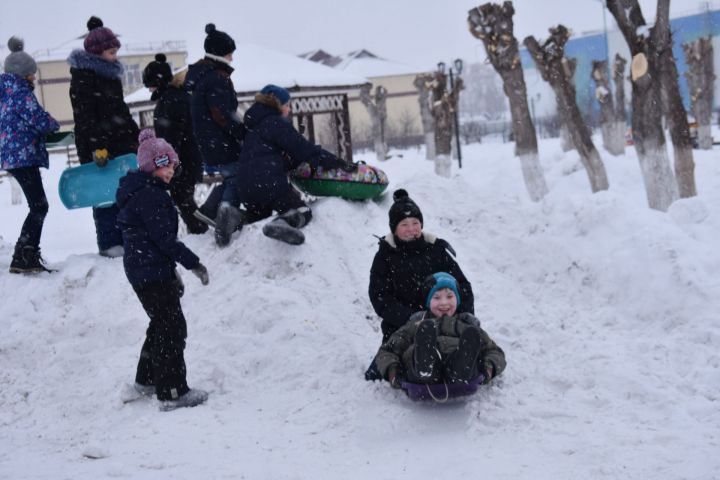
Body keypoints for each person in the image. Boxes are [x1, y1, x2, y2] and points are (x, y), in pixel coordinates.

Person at [116, 129, 210, 411]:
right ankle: (172, 391)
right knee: (172, 328)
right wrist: (193, 263)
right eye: (167, 164)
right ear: (155, 165)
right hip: (150, 272)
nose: (172, 169)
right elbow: (165, 241)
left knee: (160, 324)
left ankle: (146, 380)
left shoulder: (144, 191)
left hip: (145, 270)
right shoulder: (151, 197)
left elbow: (156, 242)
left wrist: (171, 271)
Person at [365, 188, 474, 380]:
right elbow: (379, 296)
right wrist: (410, 318)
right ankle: (421, 366)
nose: (411, 229)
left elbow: (462, 284)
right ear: (394, 229)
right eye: (404, 224)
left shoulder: (435, 250)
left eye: (415, 223)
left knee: (455, 342)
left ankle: (460, 365)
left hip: (443, 316)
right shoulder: (386, 256)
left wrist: (464, 313)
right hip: (403, 325)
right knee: (401, 354)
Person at [236, 84, 353, 246]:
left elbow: (264, 156)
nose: (289, 109)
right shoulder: (276, 123)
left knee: (258, 218)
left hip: (244, 186)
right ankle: (282, 223)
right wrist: (336, 162)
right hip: (269, 184)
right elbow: (305, 150)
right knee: (302, 211)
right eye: (287, 105)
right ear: (276, 104)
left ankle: (236, 219)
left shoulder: (251, 126)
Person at [67, 16, 140, 257]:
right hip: (97, 147)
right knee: (104, 195)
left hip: (119, 143)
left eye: (116, 50)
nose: (115, 55)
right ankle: (110, 245)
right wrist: (97, 146)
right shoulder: (83, 78)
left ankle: (126, 239)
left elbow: (119, 110)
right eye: (111, 51)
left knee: (124, 191)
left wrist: (137, 135)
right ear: (97, 53)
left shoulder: (110, 76)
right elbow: (86, 117)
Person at [373, 272, 506, 390]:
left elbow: (494, 351)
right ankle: (425, 363)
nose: (444, 303)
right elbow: (387, 351)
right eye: (436, 297)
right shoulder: (416, 324)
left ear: (457, 299)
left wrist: (489, 368)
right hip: (418, 371)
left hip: (460, 368)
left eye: (449, 296)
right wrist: (393, 371)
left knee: (470, 352)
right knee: (418, 349)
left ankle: (462, 365)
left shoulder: (466, 325)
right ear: (428, 301)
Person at [1, 36, 60, 273]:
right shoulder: (19, 91)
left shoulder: (5, 91)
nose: (33, 77)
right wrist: (54, 124)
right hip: (22, 156)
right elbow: (38, 118)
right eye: (31, 74)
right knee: (39, 206)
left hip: (12, 155)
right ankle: (23, 256)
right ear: (23, 73)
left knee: (38, 205)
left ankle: (26, 255)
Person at [184, 23, 246, 246]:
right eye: (230, 54)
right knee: (238, 177)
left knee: (233, 177)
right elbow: (222, 114)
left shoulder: (202, 77)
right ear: (220, 53)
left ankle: (210, 209)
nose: (232, 58)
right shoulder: (216, 79)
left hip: (210, 140)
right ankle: (223, 215)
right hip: (220, 141)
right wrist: (240, 132)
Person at [142, 54, 208, 234]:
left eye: (150, 85)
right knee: (183, 197)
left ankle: (200, 231)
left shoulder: (171, 100)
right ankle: (199, 229)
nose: (149, 90)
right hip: (187, 158)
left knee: (182, 197)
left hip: (183, 160)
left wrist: (170, 163)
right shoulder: (175, 97)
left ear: (158, 82)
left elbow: (171, 137)